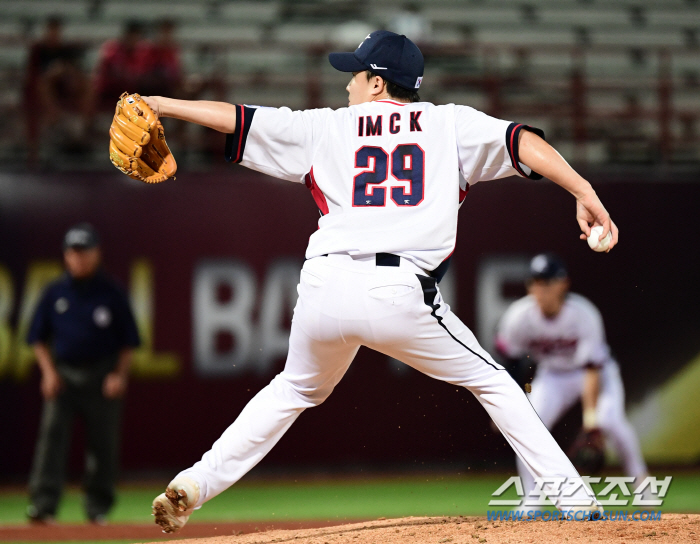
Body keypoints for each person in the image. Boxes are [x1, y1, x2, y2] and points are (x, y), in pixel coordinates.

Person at [131, 31, 618, 532]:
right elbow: (524, 143)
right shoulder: (450, 123)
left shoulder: (328, 128)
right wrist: (583, 190)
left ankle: (195, 483)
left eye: (355, 75)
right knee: (492, 381)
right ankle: (575, 498)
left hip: (322, 287)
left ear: (378, 83)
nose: (347, 86)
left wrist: (162, 104)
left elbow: (240, 118)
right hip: (396, 289)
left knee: (292, 391)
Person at [496, 253, 648, 512]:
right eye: (535, 282)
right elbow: (509, 360)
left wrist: (591, 420)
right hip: (553, 375)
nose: (540, 289)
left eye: (546, 282)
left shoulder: (583, 314)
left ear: (563, 283)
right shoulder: (518, 317)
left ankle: (644, 489)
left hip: (596, 374)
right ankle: (531, 500)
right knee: (527, 424)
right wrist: (510, 402)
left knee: (610, 422)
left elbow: (591, 369)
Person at [26, 224, 140, 524]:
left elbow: (129, 339)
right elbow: (36, 337)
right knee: (51, 441)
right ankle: (43, 506)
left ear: (97, 253)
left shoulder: (112, 291)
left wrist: (119, 373)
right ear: (66, 255)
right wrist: (48, 373)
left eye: (85, 252)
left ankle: (97, 508)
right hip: (63, 375)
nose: (79, 259)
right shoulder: (55, 292)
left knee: (102, 445)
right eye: (74, 253)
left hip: (102, 374)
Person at [23, 16, 89, 164]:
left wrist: (66, 72)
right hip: (44, 88)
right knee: (44, 82)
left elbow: (74, 69)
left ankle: (84, 122)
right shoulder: (38, 50)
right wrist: (52, 73)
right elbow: (32, 75)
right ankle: (54, 114)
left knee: (86, 81)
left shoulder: (65, 50)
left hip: (64, 86)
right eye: (51, 30)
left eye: (57, 31)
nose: (54, 34)